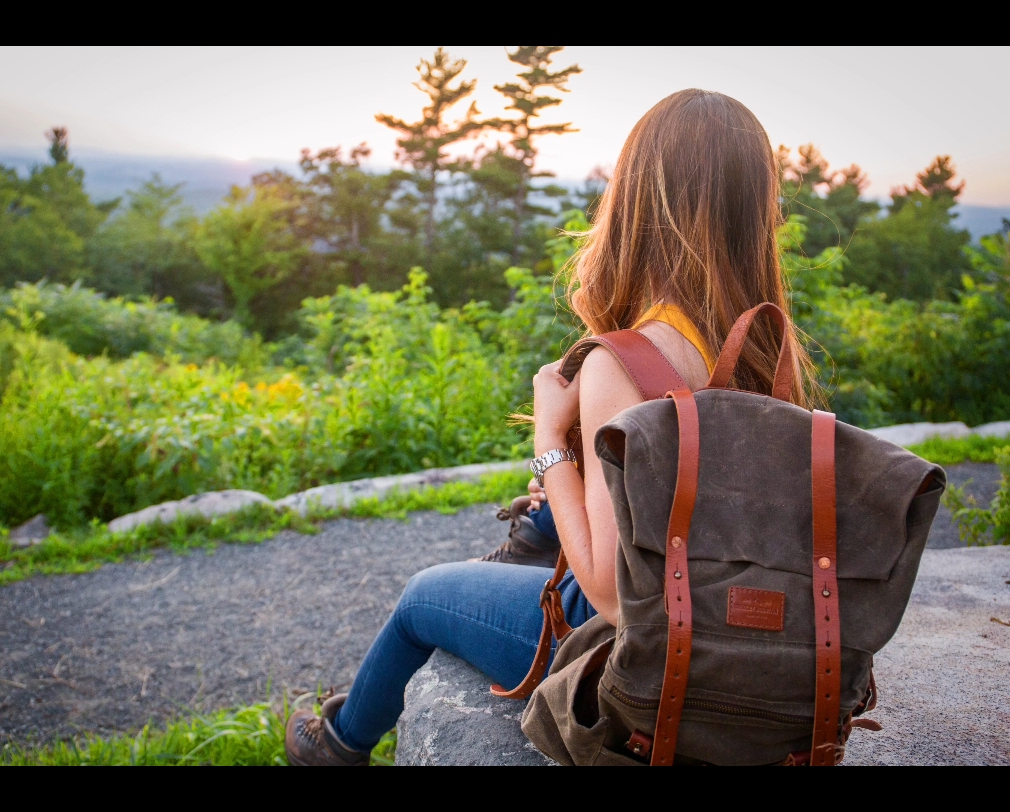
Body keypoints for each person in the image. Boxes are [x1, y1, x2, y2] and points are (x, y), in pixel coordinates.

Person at [284, 88, 819, 766]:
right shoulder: (763, 349)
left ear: (635, 201)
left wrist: (548, 444)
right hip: (732, 624)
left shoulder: (626, 363)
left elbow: (608, 591)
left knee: (423, 596)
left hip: (648, 654)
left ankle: (336, 742)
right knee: (534, 538)